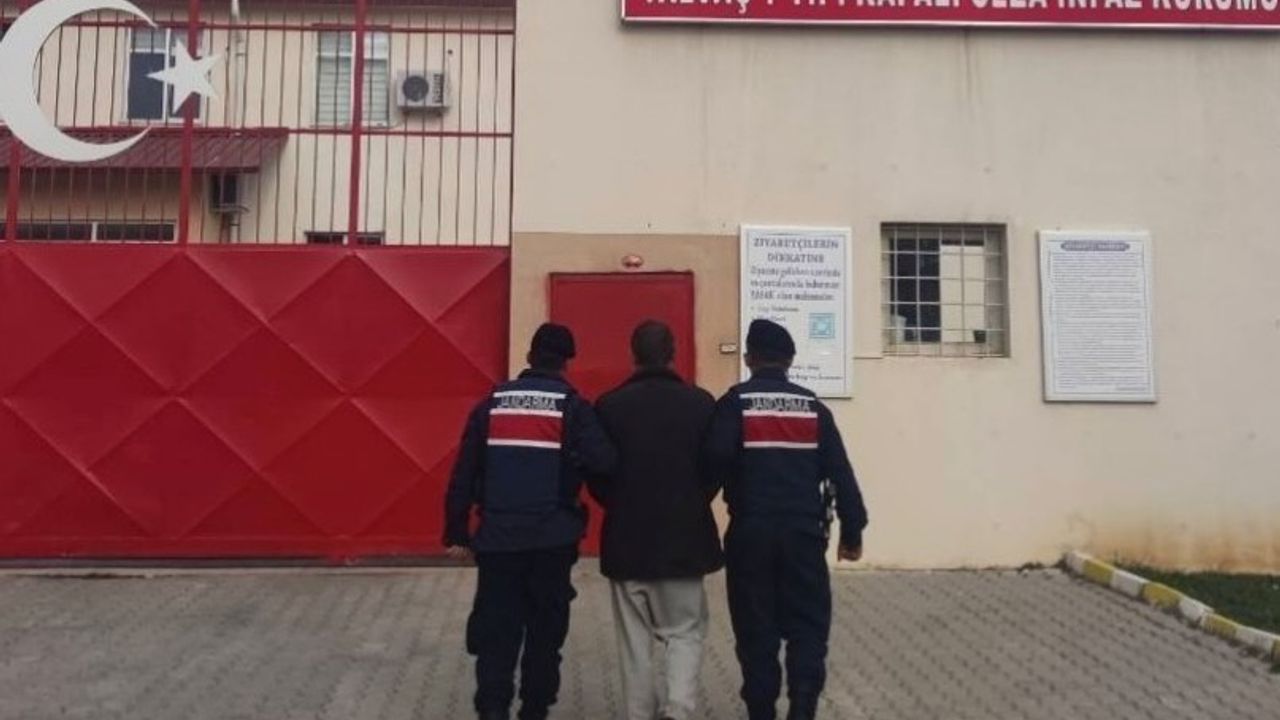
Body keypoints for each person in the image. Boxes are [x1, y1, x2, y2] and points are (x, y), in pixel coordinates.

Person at [444, 323, 617, 720]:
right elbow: (605, 461)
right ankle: (535, 709)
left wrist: (456, 531)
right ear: (567, 363)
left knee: (497, 633)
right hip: (551, 543)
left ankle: (493, 709)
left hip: (498, 542)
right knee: (544, 633)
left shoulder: (492, 404)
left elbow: (464, 472)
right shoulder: (573, 407)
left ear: (529, 356)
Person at [703, 319, 868, 720]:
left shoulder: (735, 404)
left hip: (750, 534)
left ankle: (761, 710)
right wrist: (852, 531)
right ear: (791, 361)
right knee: (807, 626)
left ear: (748, 359)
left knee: (755, 629)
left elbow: (713, 461)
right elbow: (841, 474)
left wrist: (694, 509)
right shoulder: (814, 409)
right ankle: (803, 706)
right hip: (803, 535)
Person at [587, 320, 723, 720]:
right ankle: (677, 709)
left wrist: (618, 503)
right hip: (685, 540)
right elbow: (714, 465)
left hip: (627, 541)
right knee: (685, 632)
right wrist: (695, 501)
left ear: (633, 355)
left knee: (633, 643)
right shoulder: (701, 404)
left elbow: (597, 471)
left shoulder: (609, 406)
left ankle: (639, 713)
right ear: (673, 353)